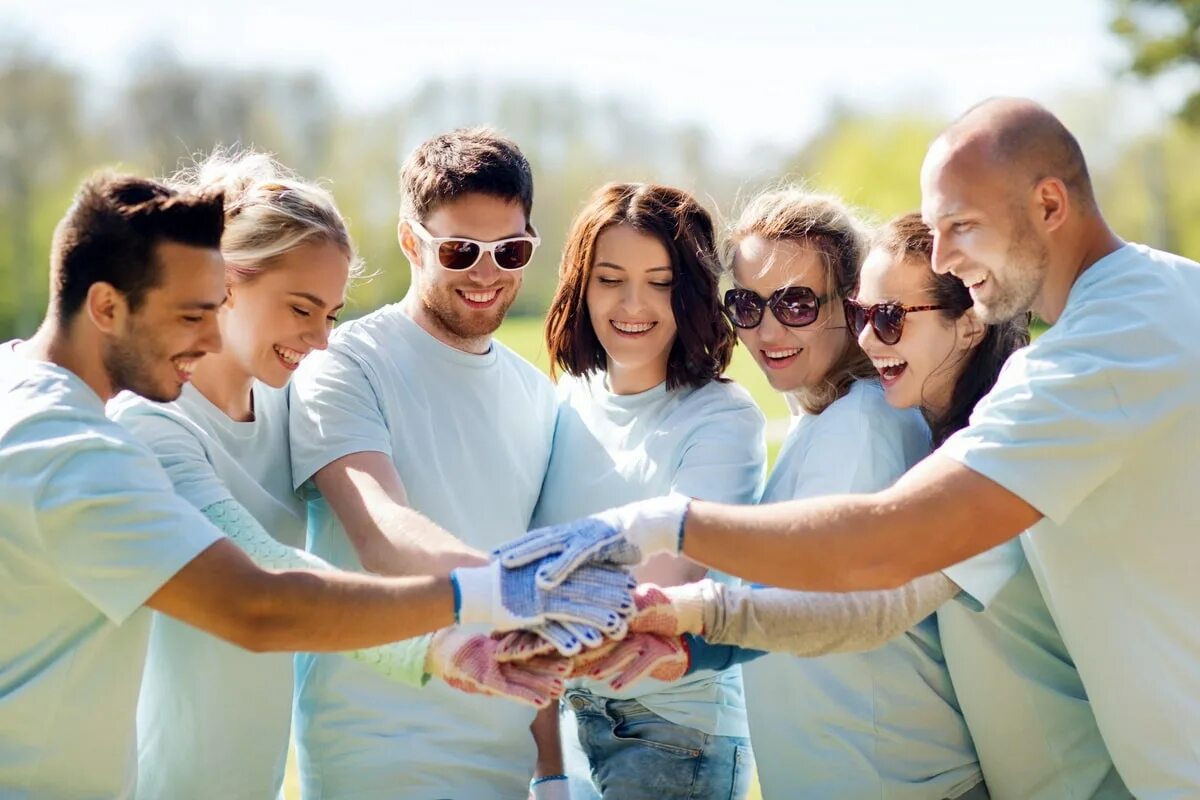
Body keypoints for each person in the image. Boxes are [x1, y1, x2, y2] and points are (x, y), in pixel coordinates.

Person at [503, 98, 1200, 798]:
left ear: (1050, 202)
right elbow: (882, 603)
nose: (948, 256)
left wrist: (662, 528)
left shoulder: (1097, 354)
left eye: (960, 227)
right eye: (746, 304)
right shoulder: (1137, 317)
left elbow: (881, 552)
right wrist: (700, 622)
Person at [0, 173, 628, 799]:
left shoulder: (278, 405)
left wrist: (461, 642)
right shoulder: (108, 435)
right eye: (193, 312)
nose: (323, 339)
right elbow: (265, 591)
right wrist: (479, 606)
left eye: (330, 314)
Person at [624, 212, 1129, 799]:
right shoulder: (887, 427)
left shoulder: (907, 437)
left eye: (796, 304)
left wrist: (673, 576)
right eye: (746, 305)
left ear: (970, 322)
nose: (766, 329)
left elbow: (853, 606)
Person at [287, 128, 570, 798]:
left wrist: (553, 774)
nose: (488, 271)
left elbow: (534, 575)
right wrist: (521, 592)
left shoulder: (537, 395)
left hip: (502, 767)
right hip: (375, 760)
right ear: (412, 242)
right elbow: (381, 532)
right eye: (461, 249)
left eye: (512, 250)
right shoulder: (345, 363)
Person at [529, 182, 765, 799]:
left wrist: (514, 600)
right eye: (610, 278)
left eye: (660, 282)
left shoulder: (723, 417)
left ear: (689, 292)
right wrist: (548, 770)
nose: (633, 303)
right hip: (564, 725)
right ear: (582, 286)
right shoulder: (561, 404)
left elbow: (664, 586)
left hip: (673, 735)